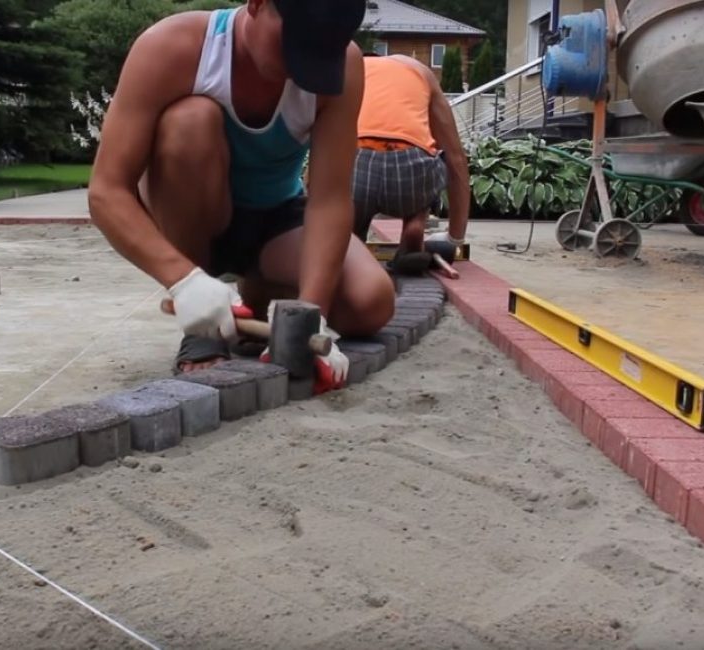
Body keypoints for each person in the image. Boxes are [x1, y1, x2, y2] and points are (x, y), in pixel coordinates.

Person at [88, 0, 395, 393]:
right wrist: (184, 281)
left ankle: (258, 292)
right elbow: (107, 190)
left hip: (274, 218)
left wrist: (310, 313)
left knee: (369, 302)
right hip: (195, 218)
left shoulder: (344, 65)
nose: (297, 69)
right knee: (190, 122)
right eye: (292, 45)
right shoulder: (174, 46)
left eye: (317, 53)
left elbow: (329, 200)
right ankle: (203, 327)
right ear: (257, 4)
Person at [350, 53, 471, 264]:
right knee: (433, 156)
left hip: (358, 165)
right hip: (412, 172)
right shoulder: (420, 71)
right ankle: (415, 224)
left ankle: (351, 245)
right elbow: (456, 158)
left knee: (350, 224)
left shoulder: (349, 71)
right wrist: (455, 239)